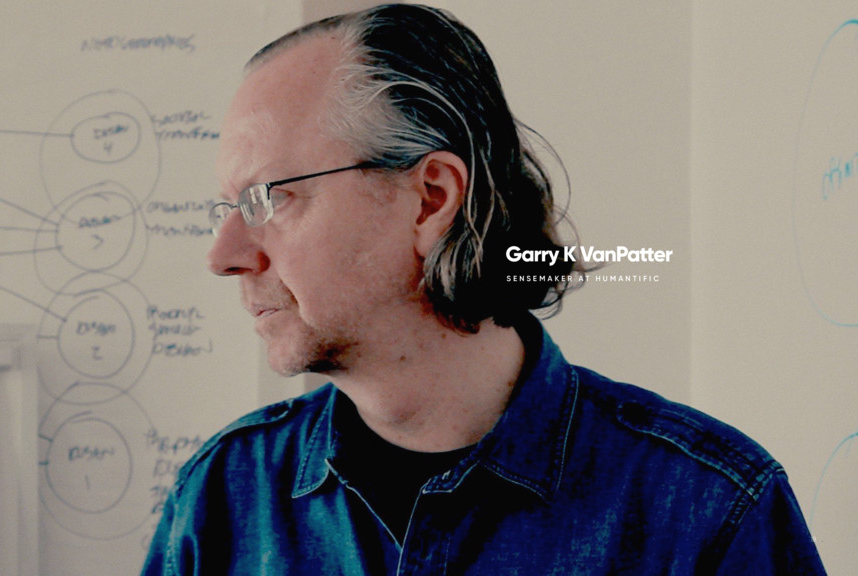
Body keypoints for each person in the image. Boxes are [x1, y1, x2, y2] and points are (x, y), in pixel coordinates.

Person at [142, 4, 826, 575]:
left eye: (268, 198)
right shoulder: (222, 498)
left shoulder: (708, 512)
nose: (223, 256)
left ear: (430, 198)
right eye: (227, 207)